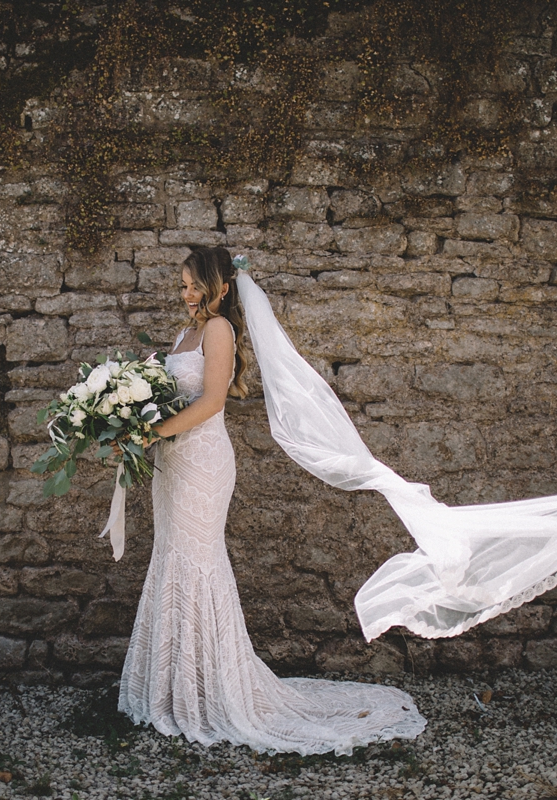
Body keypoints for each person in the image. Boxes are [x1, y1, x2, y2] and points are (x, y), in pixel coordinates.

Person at [117, 247, 428, 755]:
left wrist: (148, 436)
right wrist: (133, 415)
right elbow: (168, 395)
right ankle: (174, 689)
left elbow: (212, 401)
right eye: (182, 286)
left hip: (203, 463)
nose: (186, 294)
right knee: (171, 558)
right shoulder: (182, 334)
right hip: (172, 465)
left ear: (220, 289)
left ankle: (212, 693)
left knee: (197, 562)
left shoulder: (219, 330)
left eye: (194, 286)